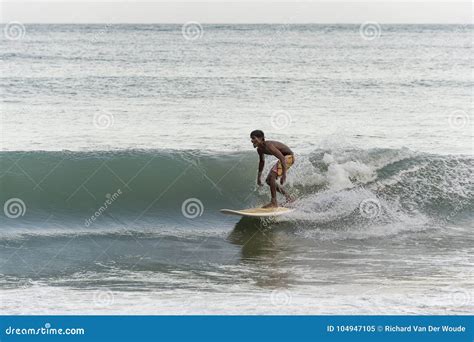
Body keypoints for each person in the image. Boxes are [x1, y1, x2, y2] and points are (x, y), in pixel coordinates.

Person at [250, 130, 295, 208]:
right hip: (284, 159)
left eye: (254, 138)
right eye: (251, 139)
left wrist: (284, 174)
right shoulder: (259, 149)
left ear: (261, 138)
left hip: (288, 157)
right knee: (268, 181)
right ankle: (289, 198)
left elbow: (282, 158)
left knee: (272, 176)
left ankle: (274, 202)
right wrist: (259, 177)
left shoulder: (269, 145)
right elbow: (262, 162)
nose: (252, 140)